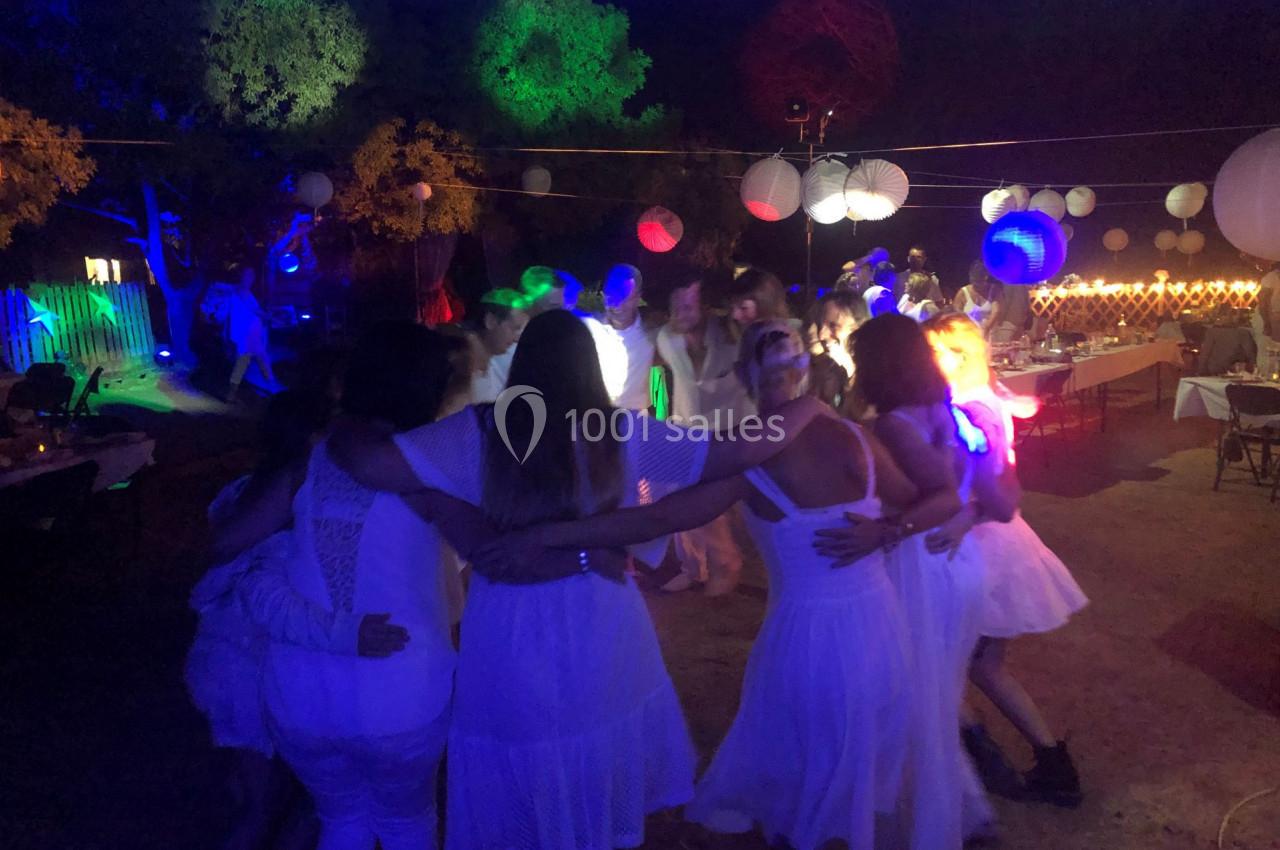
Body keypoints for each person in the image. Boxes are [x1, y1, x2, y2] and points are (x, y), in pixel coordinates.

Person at [326, 310, 834, 850]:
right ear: (589, 368)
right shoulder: (618, 429)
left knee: (522, 753)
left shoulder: (479, 429)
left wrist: (340, 424)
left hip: (508, 621)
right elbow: (736, 448)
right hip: (599, 609)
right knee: (595, 746)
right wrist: (812, 406)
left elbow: (372, 464)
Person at [472, 320, 962, 850]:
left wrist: (549, 535)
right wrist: (890, 531)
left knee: (808, 755)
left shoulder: (759, 451)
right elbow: (940, 498)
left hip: (807, 639)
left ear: (747, 374)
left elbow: (656, 520)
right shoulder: (853, 437)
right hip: (879, 626)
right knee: (861, 748)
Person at [816, 313, 1019, 849]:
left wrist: (884, 531)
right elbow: (984, 494)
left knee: (916, 701)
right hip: (958, 563)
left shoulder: (894, 425)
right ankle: (949, 811)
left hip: (922, 564)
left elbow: (943, 497)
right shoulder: (945, 410)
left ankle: (931, 824)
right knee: (934, 696)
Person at [923, 314, 1086, 808]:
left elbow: (998, 488)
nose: (925, 360)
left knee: (935, 661)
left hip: (983, 550)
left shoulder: (973, 409)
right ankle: (1051, 763)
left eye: (932, 350)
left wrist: (963, 514)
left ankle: (980, 754)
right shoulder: (983, 395)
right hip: (997, 546)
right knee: (984, 667)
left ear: (958, 355)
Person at [187, 390, 333, 850]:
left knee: (270, 794)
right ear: (313, 438)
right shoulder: (292, 484)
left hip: (230, 659)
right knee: (274, 804)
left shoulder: (253, 484)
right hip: (242, 663)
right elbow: (226, 543)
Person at [656, 272, 754, 595]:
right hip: (687, 429)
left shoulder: (733, 337)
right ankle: (697, 566)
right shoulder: (666, 339)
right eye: (676, 306)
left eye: (688, 304)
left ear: (707, 307)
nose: (680, 312)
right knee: (682, 497)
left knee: (727, 502)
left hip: (733, 430)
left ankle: (728, 560)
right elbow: (657, 373)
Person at [583, 263, 657, 410]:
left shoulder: (652, 331)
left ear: (637, 298)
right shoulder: (589, 327)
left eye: (625, 297)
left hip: (636, 423)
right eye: (611, 296)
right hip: (597, 418)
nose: (617, 304)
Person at [804, 291, 865, 411]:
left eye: (833, 326)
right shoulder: (819, 372)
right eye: (821, 325)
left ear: (859, 327)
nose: (821, 335)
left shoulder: (876, 379)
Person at [467, 289, 528, 404]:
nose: (516, 339)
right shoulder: (460, 365)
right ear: (490, 321)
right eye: (514, 328)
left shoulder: (492, 366)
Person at [226, 265, 276, 401]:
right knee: (246, 363)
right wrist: (266, 316)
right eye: (248, 275)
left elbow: (255, 311)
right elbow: (254, 310)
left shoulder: (246, 293)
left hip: (252, 334)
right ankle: (232, 394)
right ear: (242, 276)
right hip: (246, 336)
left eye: (252, 276)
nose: (251, 278)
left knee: (260, 360)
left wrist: (265, 316)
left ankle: (271, 388)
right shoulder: (240, 292)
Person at [727, 267, 797, 334]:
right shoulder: (729, 335)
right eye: (732, 307)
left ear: (767, 307)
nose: (734, 315)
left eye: (743, 308)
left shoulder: (785, 340)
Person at [954, 261, 1000, 334]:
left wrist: (986, 328)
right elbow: (956, 314)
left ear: (985, 278)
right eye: (974, 282)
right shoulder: (962, 292)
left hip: (989, 333)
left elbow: (996, 311)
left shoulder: (994, 290)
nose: (976, 286)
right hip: (968, 333)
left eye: (979, 283)